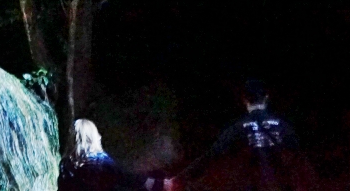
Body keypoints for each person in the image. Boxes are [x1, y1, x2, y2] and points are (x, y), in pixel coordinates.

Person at [167, 80, 307, 191]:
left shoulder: (238, 128)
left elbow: (211, 156)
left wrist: (179, 179)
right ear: (266, 98)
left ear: (244, 100)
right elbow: (300, 161)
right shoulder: (284, 127)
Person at [60, 119, 165, 191]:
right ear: (92, 137)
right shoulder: (102, 161)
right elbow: (132, 178)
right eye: (96, 134)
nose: (100, 137)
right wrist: (160, 184)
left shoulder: (65, 166)